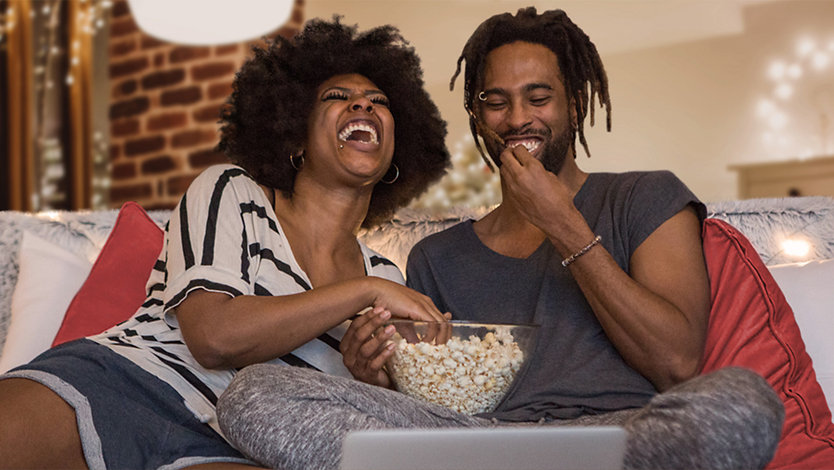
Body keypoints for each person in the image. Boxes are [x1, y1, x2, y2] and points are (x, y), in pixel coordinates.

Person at [216, 7, 785, 470]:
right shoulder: (436, 257)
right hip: (470, 442)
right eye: (496, 101)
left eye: (539, 98)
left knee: (742, 401)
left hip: (616, 435)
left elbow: (678, 363)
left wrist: (564, 224)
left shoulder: (645, 198)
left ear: (574, 104)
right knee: (255, 394)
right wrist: (378, 374)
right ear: (476, 116)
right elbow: (438, 395)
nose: (518, 119)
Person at [0, 17, 451, 469]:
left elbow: (364, 428)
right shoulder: (232, 192)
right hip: (128, 383)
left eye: (379, 102)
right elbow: (213, 338)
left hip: (232, 445)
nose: (363, 106)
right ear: (295, 134)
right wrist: (360, 292)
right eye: (338, 98)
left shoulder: (386, 277)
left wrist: (369, 377)